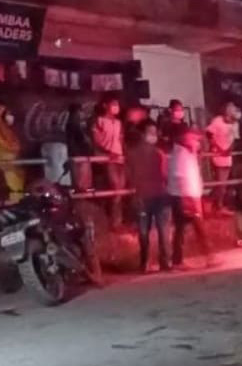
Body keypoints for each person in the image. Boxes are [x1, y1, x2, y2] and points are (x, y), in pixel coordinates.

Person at [168, 128, 216, 269]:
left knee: (181, 229)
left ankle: (177, 261)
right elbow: (180, 177)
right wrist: (187, 200)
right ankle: (209, 257)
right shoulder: (181, 155)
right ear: (184, 140)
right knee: (198, 228)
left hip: (187, 195)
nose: (197, 142)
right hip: (185, 196)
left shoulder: (187, 153)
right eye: (194, 139)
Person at [127, 121, 171, 273]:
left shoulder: (131, 153)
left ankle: (145, 263)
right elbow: (165, 175)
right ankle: (165, 263)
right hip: (155, 195)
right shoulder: (159, 153)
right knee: (162, 230)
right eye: (151, 132)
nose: (154, 135)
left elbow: (129, 176)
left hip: (145, 196)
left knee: (144, 232)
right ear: (143, 133)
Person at [92, 97, 125, 227]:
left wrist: (122, 153)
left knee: (120, 191)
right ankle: (114, 221)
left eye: (117, 104)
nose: (116, 107)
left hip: (120, 158)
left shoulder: (118, 123)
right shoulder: (99, 121)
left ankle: (117, 220)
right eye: (113, 104)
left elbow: (121, 140)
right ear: (106, 105)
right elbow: (95, 140)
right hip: (107, 159)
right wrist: (107, 153)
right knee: (115, 187)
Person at [0, 104, 25, 202]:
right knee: (11, 198)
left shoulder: (11, 134)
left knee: (19, 195)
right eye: (8, 115)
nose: (11, 117)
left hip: (17, 171)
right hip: (4, 173)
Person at [206, 102, 242, 215]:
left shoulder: (235, 124)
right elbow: (209, 135)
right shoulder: (217, 121)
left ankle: (214, 203)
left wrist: (229, 149)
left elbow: (234, 138)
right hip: (217, 154)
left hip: (227, 155)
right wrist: (218, 148)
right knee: (221, 183)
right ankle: (217, 205)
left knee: (224, 184)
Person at [65, 103, 93, 191]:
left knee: (82, 182)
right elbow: (81, 140)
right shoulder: (72, 125)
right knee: (80, 183)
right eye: (79, 112)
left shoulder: (79, 125)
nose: (81, 114)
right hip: (78, 155)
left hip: (80, 154)